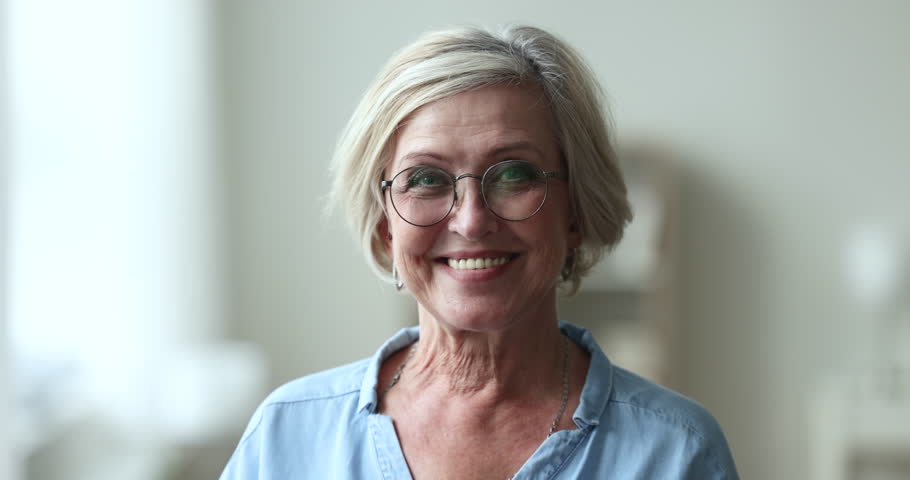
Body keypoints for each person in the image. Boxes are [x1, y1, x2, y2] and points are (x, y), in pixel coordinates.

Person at [221, 25, 739, 479]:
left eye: (514, 174)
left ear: (575, 212)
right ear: (385, 227)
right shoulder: (286, 436)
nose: (471, 221)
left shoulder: (676, 453)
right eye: (425, 179)